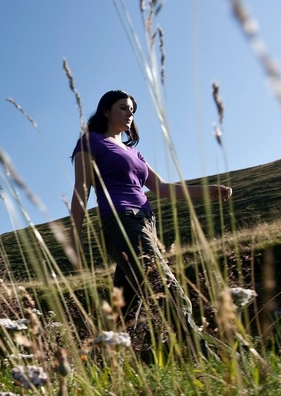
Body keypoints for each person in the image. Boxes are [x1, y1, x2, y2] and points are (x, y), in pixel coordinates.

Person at [70, 90, 232, 342]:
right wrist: (74, 233)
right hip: (121, 221)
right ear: (106, 111)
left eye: (132, 110)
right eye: (123, 108)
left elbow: (163, 187)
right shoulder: (91, 142)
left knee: (124, 308)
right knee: (166, 289)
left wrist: (207, 192)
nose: (129, 114)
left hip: (146, 223)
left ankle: (106, 362)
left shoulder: (134, 153)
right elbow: (82, 187)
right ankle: (205, 356)